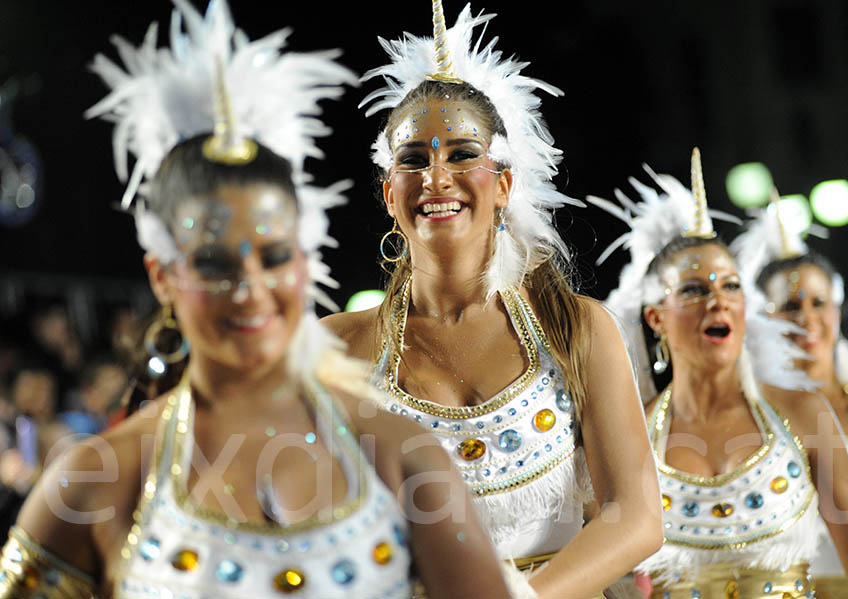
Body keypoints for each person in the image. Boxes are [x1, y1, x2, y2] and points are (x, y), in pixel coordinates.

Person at [0, 2, 511, 598]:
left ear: (302, 262)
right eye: (215, 264)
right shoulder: (96, 480)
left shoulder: (401, 459)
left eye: (273, 258)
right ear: (162, 276)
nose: (250, 291)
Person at [323, 3, 662, 598]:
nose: (435, 177)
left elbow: (635, 517)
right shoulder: (335, 347)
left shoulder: (578, 329)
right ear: (389, 192)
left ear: (503, 183)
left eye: (460, 154)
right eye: (412, 160)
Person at [594, 148, 848, 598]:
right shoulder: (632, 432)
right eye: (695, 290)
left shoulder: (802, 413)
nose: (717, 300)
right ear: (657, 317)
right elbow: (613, 575)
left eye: (730, 285)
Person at [735, 200, 848, 596]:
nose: (807, 319)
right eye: (790, 306)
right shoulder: (754, 422)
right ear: (762, 319)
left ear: (838, 310)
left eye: (818, 303)